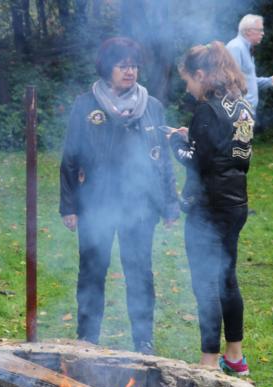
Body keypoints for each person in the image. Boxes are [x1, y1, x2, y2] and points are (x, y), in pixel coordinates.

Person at [60, 37, 179, 354]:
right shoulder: (86, 105)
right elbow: (70, 157)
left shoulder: (152, 107)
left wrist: (169, 204)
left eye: (134, 66)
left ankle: (143, 341)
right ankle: (87, 338)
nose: (130, 71)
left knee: (139, 273)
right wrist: (69, 206)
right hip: (96, 203)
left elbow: (162, 160)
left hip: (140, 205)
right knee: (92, 271)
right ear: (107, 68)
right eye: (123, 65)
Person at [168, 41, 254, 376]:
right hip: (235, 203)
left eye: (189, 80)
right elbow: (224, 149)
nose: (188, 88)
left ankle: (207, 361)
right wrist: (192, 137)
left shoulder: (207, 109)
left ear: (202, 74)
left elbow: (196, 162)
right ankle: (235, 357)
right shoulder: (241, 104)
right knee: (227, 278)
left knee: (205, 282)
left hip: (208, 208)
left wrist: (176, 142)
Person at [226, 14, 273, 113]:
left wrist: (269, 81)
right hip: (240, 113)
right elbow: (231, 81)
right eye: (260, 30)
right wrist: (239, 112)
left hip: (246, 112)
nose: (263, 33)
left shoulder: (246, 48)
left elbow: (247, 80)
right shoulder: (235, 47)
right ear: (248, 31)